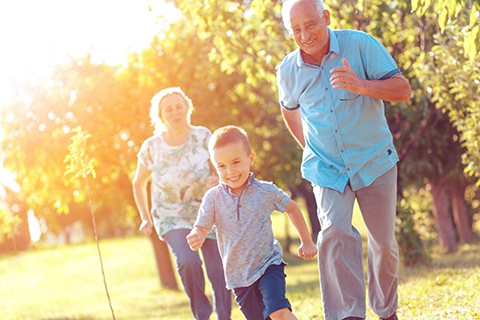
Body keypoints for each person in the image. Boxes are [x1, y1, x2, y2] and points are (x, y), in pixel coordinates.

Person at [276, 1, 412, 320]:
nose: (304, 35)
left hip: (374, 160)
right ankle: (349, 314)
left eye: (310, 25)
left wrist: (361, 85)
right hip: (326, 167)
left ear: (326, 17)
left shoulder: (360, 44)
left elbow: (403, 89)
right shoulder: (287, 70)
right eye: (295, 29)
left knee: (383, 244)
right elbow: (288, 108)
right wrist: (308, 146)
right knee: (334, 232)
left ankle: (386, 310)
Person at [186, 125, 318, 320]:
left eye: (236, 162)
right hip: (238, 276)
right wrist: (198, 233)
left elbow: (291, 207)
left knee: (278, 312)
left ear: (251, 158)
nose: (230, 171)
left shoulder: (265, 191)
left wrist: (306, 240)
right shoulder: (213, 197)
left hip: (268, 265)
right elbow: (202, 225)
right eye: (221, 166)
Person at [132, 87, 232, 320]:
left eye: (179, 106)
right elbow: (139, 183)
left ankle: (224, 317)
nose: (175, 112)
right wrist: (145, 217)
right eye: (169, 109)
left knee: (218, 271)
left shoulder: (203, 136)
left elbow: (222, 168)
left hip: (207, 213)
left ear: (187, 107)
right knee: (188, 262)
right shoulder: (151, 147)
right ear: (160, 115)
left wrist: (217, 179)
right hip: (170, 216)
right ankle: (202, 315)